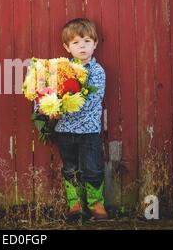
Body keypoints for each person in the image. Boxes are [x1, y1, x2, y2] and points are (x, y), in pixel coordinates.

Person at [35, 18, 107, 219]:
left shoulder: (97, 71)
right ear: (67, 47)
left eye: (86, 41)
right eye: (75, 43)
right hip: (65, 131)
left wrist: (60, 108)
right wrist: (45, 109)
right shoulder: (59, 70)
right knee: (70, 168)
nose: (82, 46)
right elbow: (45, 92)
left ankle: (96, 203)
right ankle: (74, 204)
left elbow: (90, 101)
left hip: (89, 131)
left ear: (95, 43)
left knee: (92, 168)